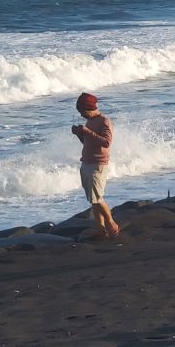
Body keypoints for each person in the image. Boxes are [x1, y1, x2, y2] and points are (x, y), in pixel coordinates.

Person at [71, 92, 121, 238]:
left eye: (82, 111)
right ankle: (100, 228)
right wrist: (80, 134)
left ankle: (112, 225)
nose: (81, 115)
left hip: (98, 164)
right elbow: (88, 142)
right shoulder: (90, 122)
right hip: (86, 162)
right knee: (92, 198)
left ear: (89, 108)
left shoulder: (104, 121)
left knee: (97, 198)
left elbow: (106, 142)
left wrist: (87, 131)